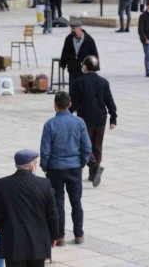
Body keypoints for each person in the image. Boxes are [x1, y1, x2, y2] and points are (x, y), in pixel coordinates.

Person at [39, 91, 92, 246]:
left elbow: (45, 150)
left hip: (55, 168)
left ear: (55, 105)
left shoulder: (50, 124)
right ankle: (79, 234)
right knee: (76, 202)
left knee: (57, 203)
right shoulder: (79, 122)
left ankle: (60, 236)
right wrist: (81, 163)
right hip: (74, 167)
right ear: (70, 104)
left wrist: (45, 166)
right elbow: (87, 147)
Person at [0, 150, 58, 267]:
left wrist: (7, 230)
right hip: (38, 244)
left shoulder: (2, 184)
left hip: (13, 242)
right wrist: (54, 235)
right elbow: (52, 215)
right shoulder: (44, 184)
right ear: (32, 166)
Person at [69, 57, 117, 187]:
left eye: (83, 64)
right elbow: (110, 101)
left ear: (86, 67)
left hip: (86, 120)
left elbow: (73, 102)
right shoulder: (103, 82)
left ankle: (95, 167)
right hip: (101, 119)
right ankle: (93, 174)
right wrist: (113, 118)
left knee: (83, 146)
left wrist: (66, 114)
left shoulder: (79, 82)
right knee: (97, 147)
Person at [59, 19, 99, 83]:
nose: (72, 30)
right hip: (72, 68)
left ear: (79, 28)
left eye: (74, 28)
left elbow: (94, 54)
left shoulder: (89, 40)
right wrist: (63, 64)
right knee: (73, 88)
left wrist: (95, 67)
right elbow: (65, 51)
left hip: (84, 70)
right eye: (71, 28)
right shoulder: (69, 38)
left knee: (84, 89)